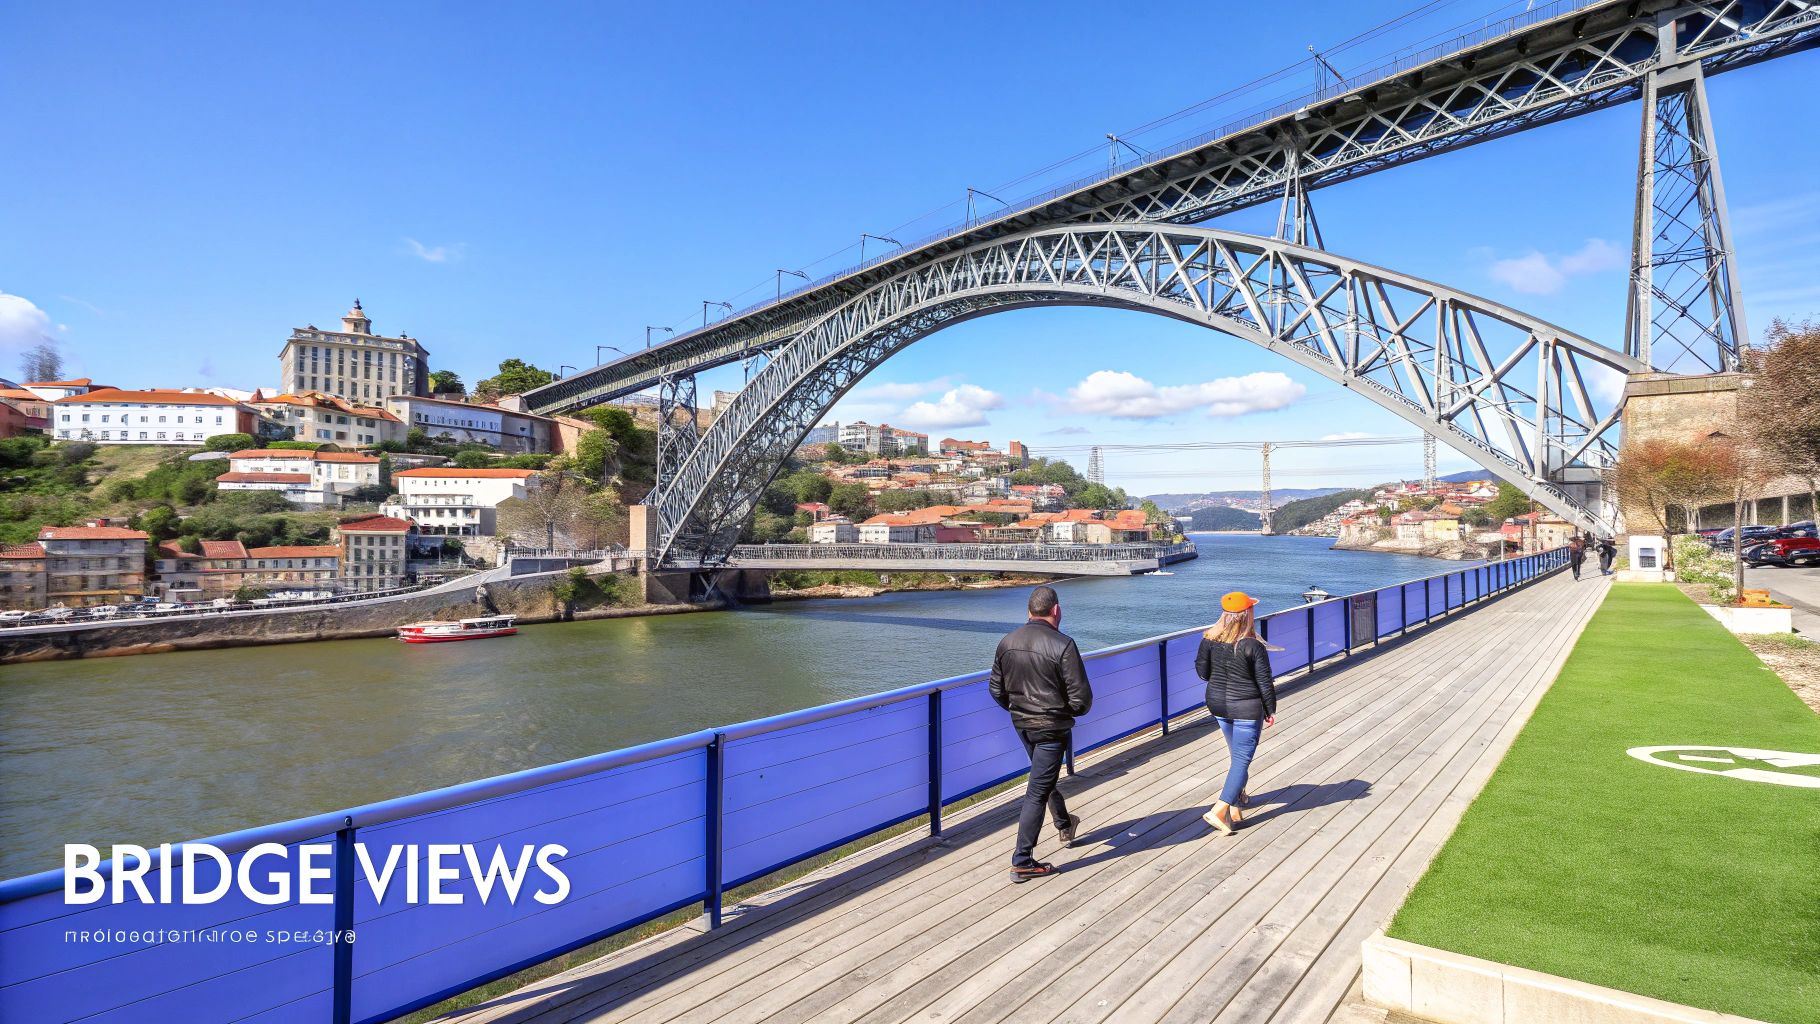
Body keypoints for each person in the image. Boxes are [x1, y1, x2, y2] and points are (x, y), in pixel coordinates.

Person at [990, 585, 1092, 883]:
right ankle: (1022, 860)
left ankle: (1064, 822)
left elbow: (996, 689)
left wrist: (1018, 708)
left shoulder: (1007, 642)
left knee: (1042, 776)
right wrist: (1059, 712)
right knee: (1037, 789)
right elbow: (1082, 700)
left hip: (1022, 724)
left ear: (1029, 612)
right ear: (1056, 611)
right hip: (1051, 728)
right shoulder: (1063, 645)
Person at [1195, 591, 1278, 835]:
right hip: (1246, 707)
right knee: (1242, 759)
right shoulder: (1253, 645)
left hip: (1218, 704)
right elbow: (1264, 681)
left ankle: (1234, 809)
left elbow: (1202, 672)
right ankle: (1219, 809)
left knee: (1236, 757)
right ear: (1248, 614)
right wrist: (1270, 709)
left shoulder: (1209, 640)